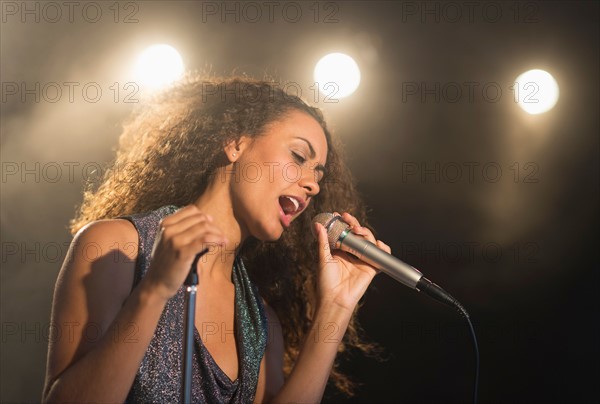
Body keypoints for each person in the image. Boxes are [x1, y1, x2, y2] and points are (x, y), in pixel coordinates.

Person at [42, 75, 390, 403]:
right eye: (298, 157)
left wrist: (336, 308)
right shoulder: (116, 247)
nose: (313, 184)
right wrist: (155, 290)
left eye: (318, 175)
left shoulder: (260, 321)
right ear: (235, 143)